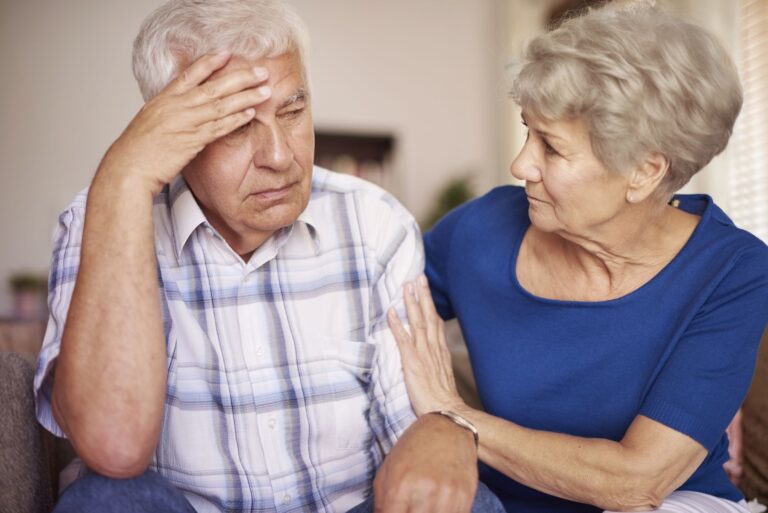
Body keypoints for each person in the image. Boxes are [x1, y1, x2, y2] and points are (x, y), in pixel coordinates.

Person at [32, 1, 505, 512]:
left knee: (464, 499)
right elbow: (113, 446)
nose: (280, 156)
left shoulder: (374, 221)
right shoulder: (100, 217)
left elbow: (412, 437)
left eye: (293, 111)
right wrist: (124, 176)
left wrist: (441, 432)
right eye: (236, 126)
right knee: (104, 499)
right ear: (164, 129)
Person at [386, 2, 768, 513]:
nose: (520, 164)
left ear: (644, 172)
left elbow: (639, 481)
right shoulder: (480, 230)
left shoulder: (732, 272)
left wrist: (454, 416)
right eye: (528, 131)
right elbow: (370, 310)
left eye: (552, 147)